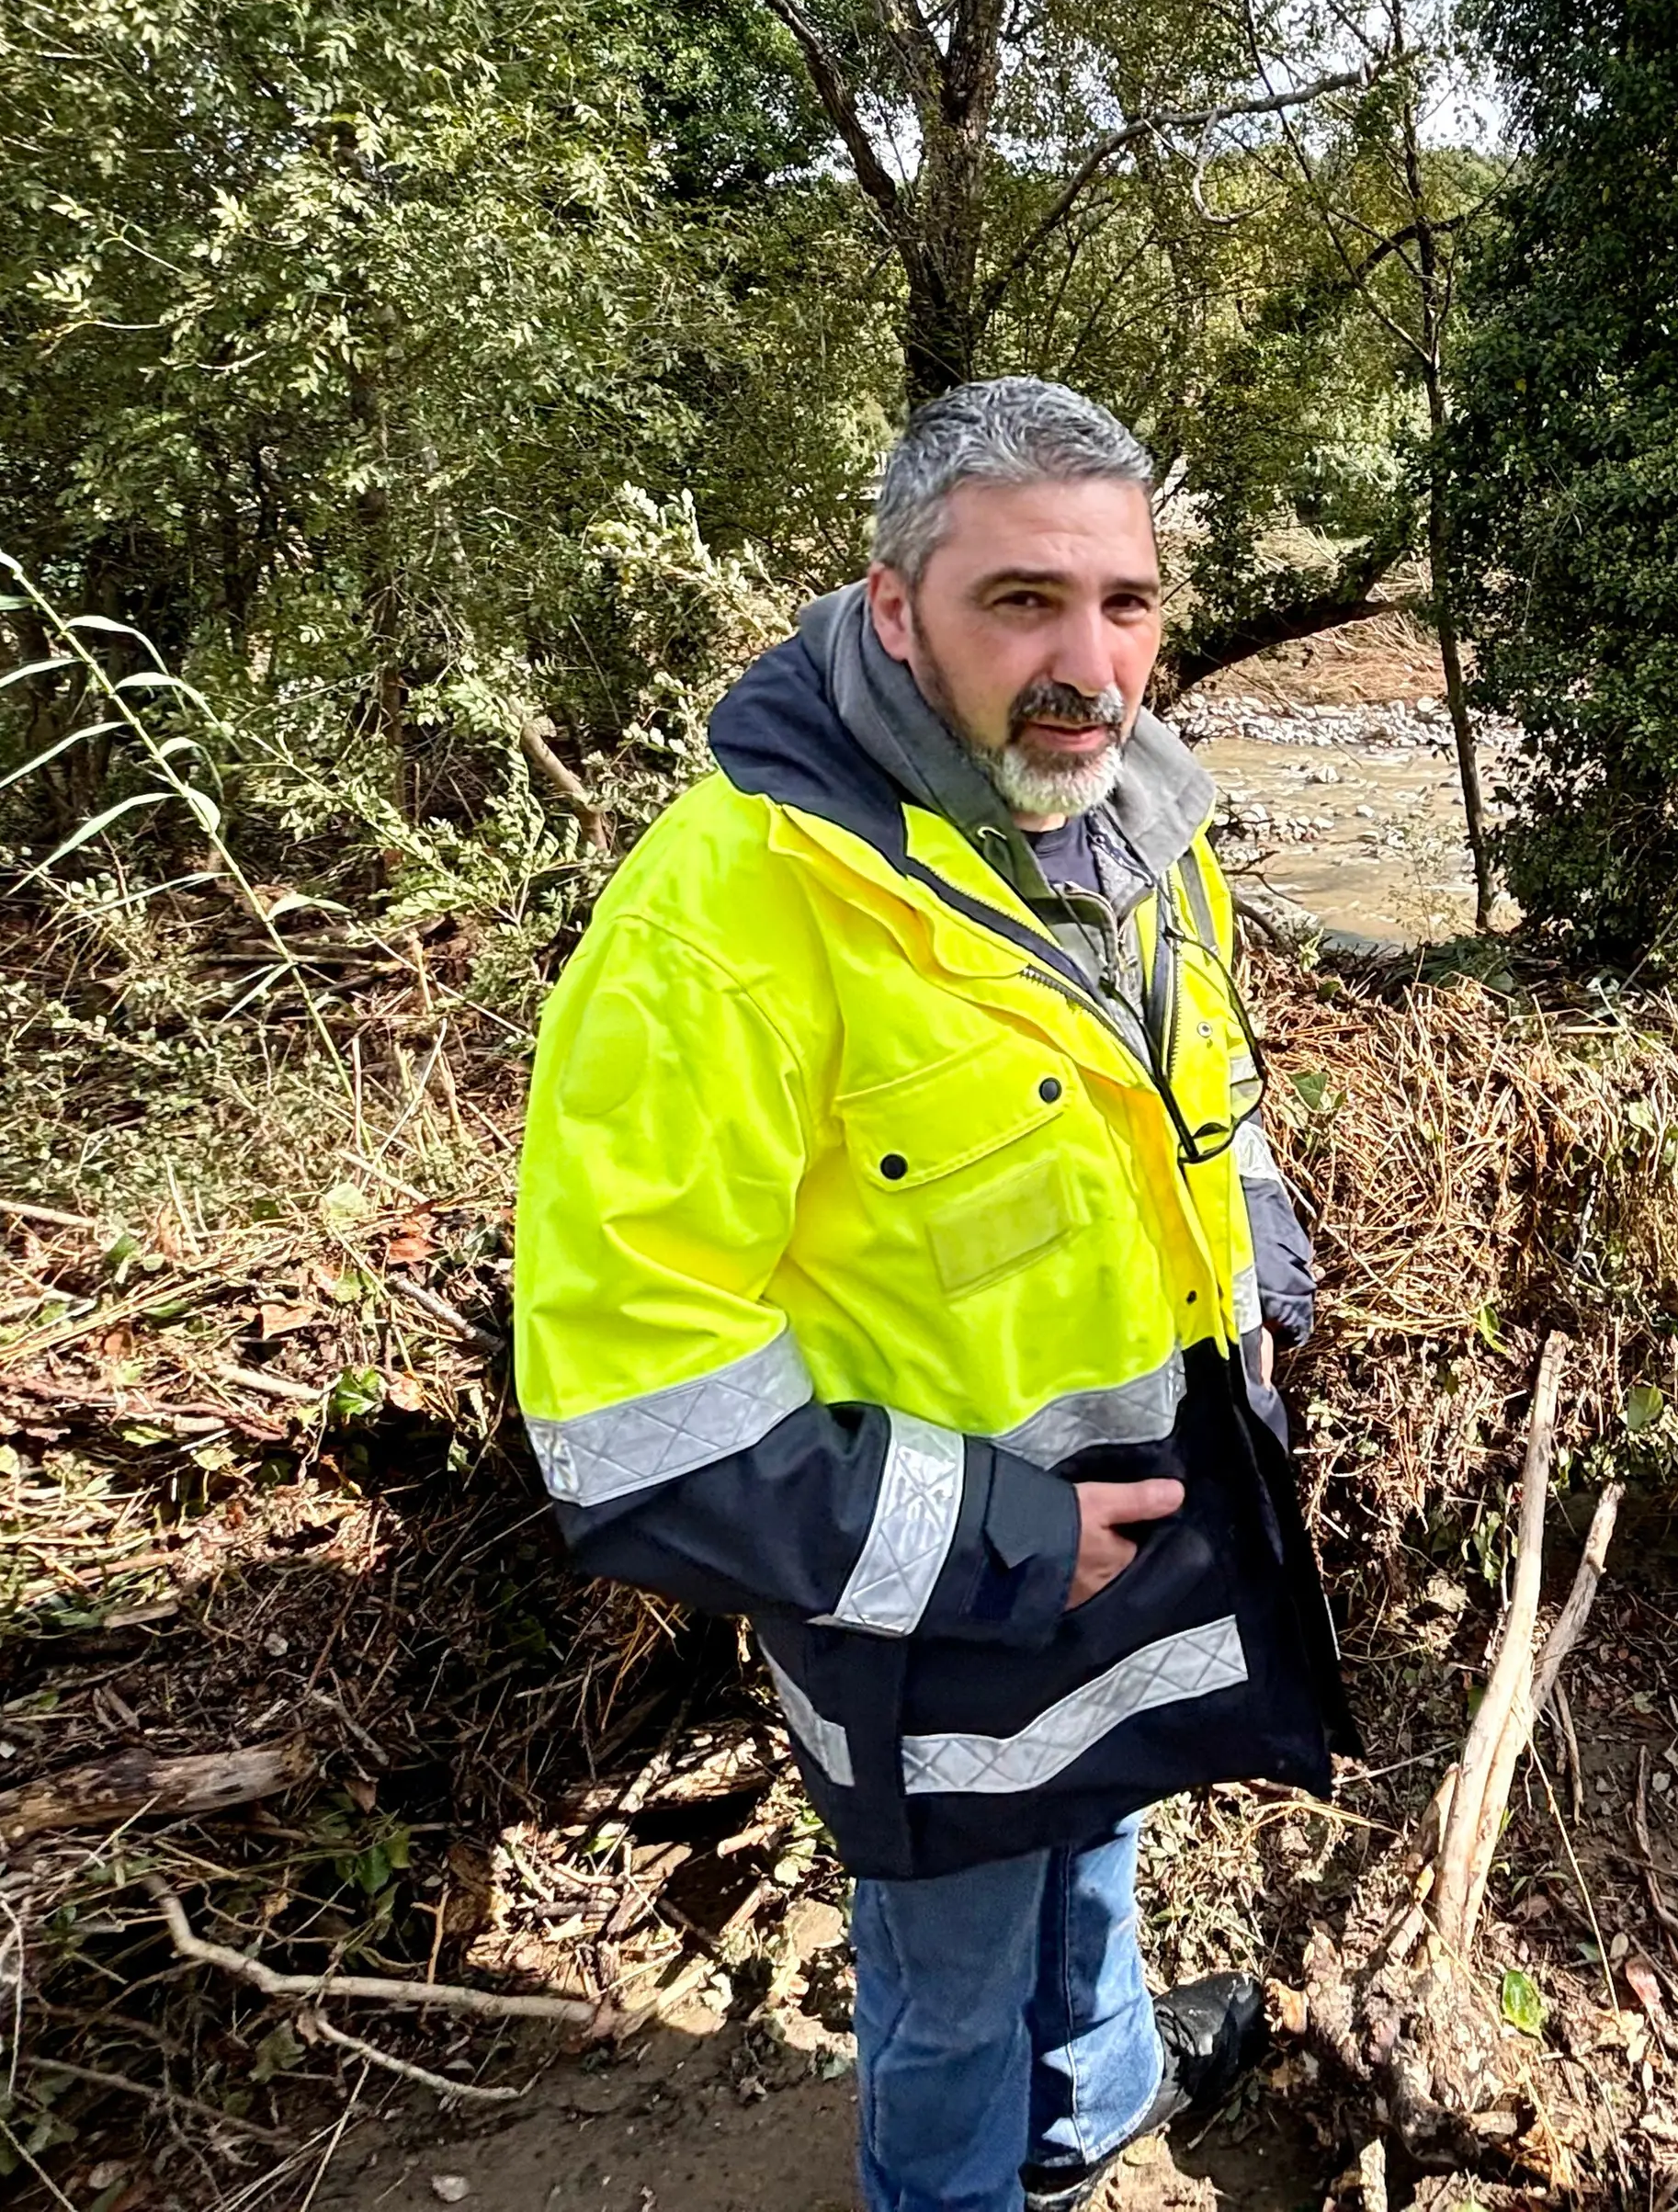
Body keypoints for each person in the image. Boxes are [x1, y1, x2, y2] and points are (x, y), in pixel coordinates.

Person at [512, 378, 1351, 2212]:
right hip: (931, 1596)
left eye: (1122, 604)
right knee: (951, 1981)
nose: (1088, 661)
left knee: (1103, 1836)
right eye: (1020, 602)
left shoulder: (1130, 820)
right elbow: (629, 1408)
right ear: (893, 609)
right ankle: (960, 2184)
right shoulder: (727, 915)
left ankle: (1095, 2109)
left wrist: (1259, 1253)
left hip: (1136, 1518)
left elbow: (1186, 1091)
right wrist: (995, 1538)